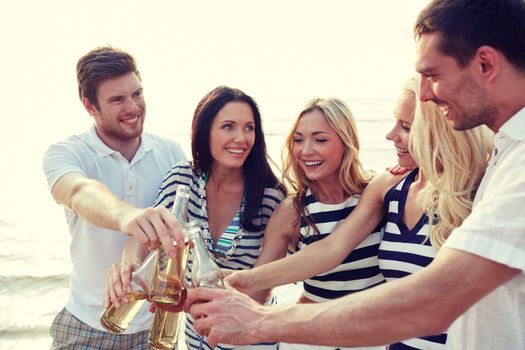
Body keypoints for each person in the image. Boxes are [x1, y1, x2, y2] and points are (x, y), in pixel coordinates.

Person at [186, 0, 525, 348]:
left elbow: (433, 300)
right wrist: (245, 281)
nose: (426, 93)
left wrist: (262, 321)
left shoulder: (509, 171)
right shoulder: (502, 154)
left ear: (486, 64)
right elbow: (329, 250)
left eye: (432, 75)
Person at [225, 75, 491, 349]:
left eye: (406, 127)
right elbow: (329, 250)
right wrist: (239, 283)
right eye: (298, 140)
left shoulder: (468, 189)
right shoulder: (381, 189)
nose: (390, 135)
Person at [106, 86, 286, 350]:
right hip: (195, 337)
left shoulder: (270, 197)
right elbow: (147, 232)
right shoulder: (183, 179)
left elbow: (261, 290)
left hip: (251, 339)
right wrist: (130, 267)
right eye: (228, 127)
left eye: (249, 128)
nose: (241, 138)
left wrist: (183, 299)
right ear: (205, 132)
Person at [42, 46, 186, 349]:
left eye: (137, 93)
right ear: (89, 106)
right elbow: (79, 191)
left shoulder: (171, 153)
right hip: (86, 325)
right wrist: (127, 216)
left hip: (154, 328)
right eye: (117, 99)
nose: (133, 106)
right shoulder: (67, 153)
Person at [239, 97, 385, 350]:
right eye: (298, 140)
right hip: (311, 339)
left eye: (320, 139)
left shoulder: (379, 193)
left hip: (375, 336)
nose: (305, 151)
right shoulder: (291, 212)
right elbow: (257, 288)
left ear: (346, 141)